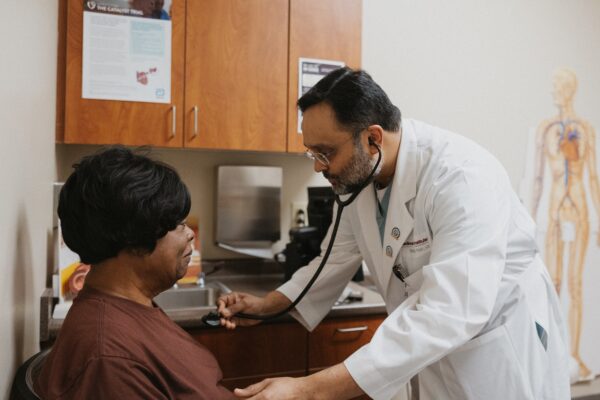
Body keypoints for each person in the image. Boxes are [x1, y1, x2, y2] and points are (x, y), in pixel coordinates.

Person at [217, 67, 570, 400]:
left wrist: (309, 390)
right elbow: (330, 262)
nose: (318, 166)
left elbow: (450, 312)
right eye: (312, 152)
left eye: (326, 153)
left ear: (372, 138)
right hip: (433, 350)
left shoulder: (461, 177)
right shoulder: (362, 180)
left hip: (495, 347)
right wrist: (266, 307)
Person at [35, 146, 234, 399]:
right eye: (179, 225)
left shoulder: (131, 308)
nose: (190, 233)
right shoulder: (107, 360)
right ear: (135, 240)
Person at [532, 67, 599, 381]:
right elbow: (538, 178)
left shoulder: (586, 128)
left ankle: (575, 356)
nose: (552, 91)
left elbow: (594, 178)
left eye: (558, 86)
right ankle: (553, 357)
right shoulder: (544, 129)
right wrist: (530, 221)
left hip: (580, 213)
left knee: (575, 283)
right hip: (556, 214)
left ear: (569, 90)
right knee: (553, 282)